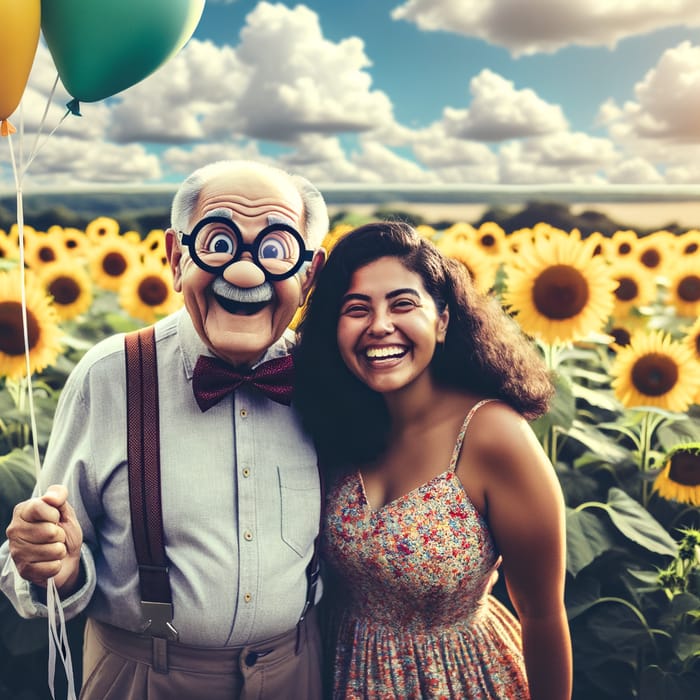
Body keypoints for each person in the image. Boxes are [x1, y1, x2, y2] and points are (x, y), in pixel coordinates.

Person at [0, 159, 329, 699]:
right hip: (144, 674)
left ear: (307, 274)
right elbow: (47, 561)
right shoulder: (110, 377)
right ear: (177, 258)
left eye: (274, 250)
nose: (245, 273)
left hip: (296, 670)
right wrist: (52, 565)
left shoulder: (328, 380)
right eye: (220, 243)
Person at [294, 221, 572, 699]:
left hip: (458, 681)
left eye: (403, 304)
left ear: (442, 321)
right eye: (356, 309)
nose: (379, 325)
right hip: (339, 676)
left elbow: (544, 615)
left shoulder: (493, 434)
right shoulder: (331, 425)